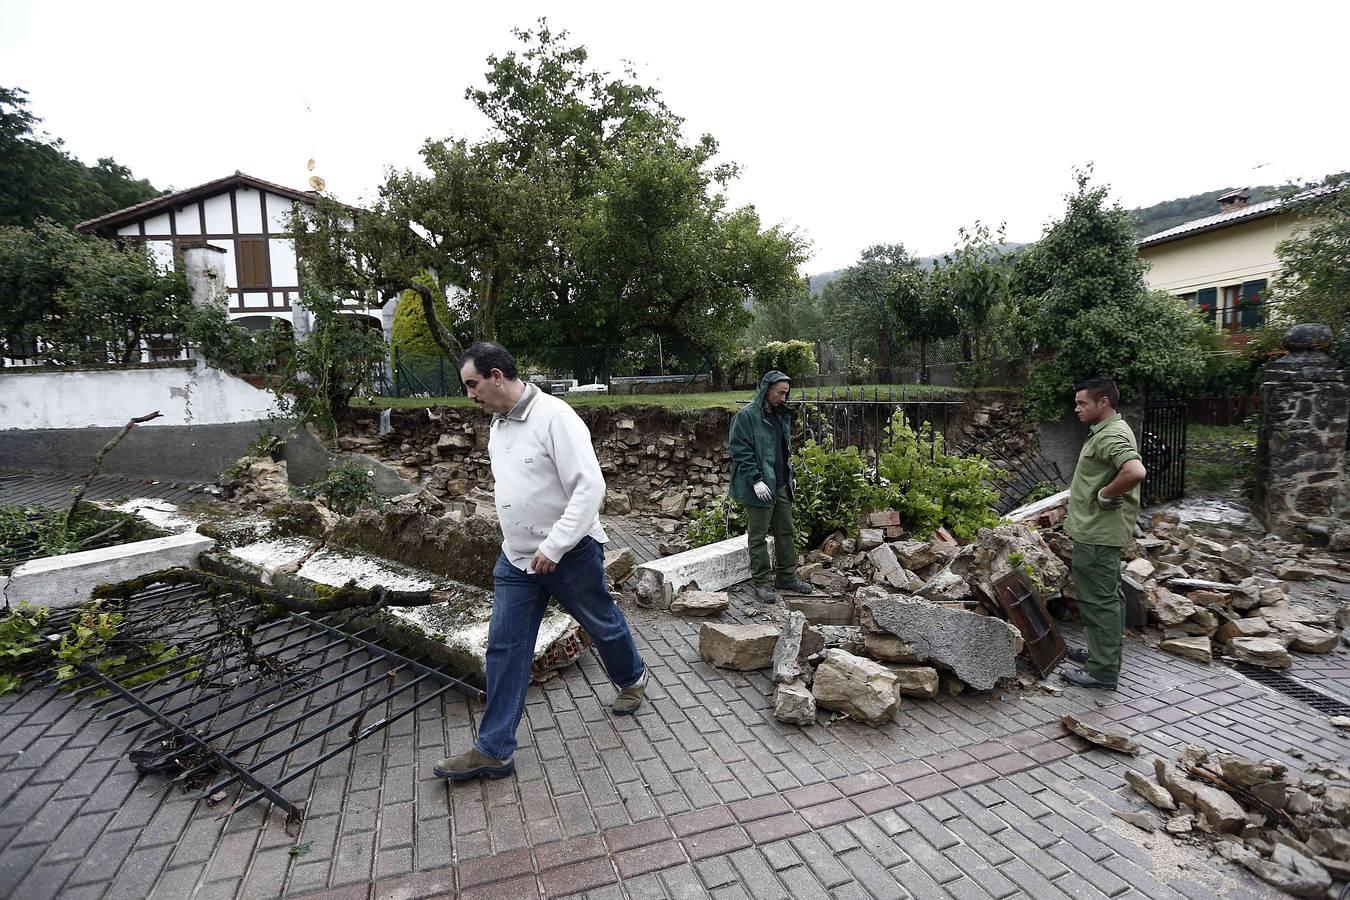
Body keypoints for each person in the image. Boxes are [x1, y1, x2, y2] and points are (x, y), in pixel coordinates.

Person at [435, 342, 648, 781]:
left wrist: (554, 547)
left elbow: (590, 489)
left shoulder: (556, 417)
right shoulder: (498, 425)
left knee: (601, 623)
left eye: (472, 384)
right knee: (505, 648)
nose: (470, 395)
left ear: (497, 375)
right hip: (516, 562)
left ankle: (632, 677)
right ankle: (494, 750)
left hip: (569, 555)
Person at [1061, 376, 1147, 690]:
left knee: (1098, 601)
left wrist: (1106, 495)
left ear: (1104, 402)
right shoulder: (1108, 431)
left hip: (1097, 534)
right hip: (1097, 532)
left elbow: (1135, 471)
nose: (1076, 408)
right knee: (1109, 597)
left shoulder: (1111, 435)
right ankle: (1102, 655)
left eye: (1083, 403)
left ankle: (1103, 671)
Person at [729, 370, 814, 604]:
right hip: (760, 485)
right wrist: (755, 479)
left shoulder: (780, 415)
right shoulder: (746, 417)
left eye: (786, 393)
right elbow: (740, 451)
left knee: (786, 532)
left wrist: (790, 474)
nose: (784, 398)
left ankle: (787, 577)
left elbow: (782, 450)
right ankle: (762, 583)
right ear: (767, 390)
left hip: (780, 483)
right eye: (780, 393)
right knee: (758, 537)